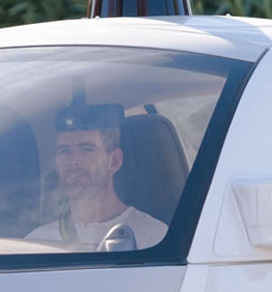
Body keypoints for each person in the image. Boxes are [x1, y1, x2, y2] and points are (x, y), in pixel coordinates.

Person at [29, 103, 169, 251]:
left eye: (86, 149)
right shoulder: (36, 243)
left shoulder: (154, 239)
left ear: (114, 161)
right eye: (64, 151)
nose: (73, 160)